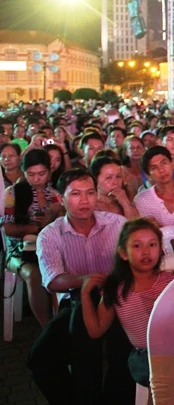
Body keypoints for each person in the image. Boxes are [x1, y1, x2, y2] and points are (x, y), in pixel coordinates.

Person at [29, 168, 133, 405]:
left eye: (90, 193)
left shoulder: (118, 224)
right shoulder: (50, 234)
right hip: (75, 299)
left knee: (122, 353)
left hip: (117, 299)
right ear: (61, 198)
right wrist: (86, 280)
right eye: (76, 194)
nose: (84, 200)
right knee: (41, 357)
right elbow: (53, 280)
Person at [80, 218, 174, 387]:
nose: (146, 252)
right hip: (145, 357)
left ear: (160, 249)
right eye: (137, 246)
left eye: (152, 245)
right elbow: (96, 330)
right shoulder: (115, 289)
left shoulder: (172, 282)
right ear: (123, 253)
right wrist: (85, 294)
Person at [2, 149, 62, 327]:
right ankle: (47, 327)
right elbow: (7, 229)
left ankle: (62, 320)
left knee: (60, 269)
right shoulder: (13, 193)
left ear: (49, 172)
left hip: (48, 250)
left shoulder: (56, 196)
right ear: (24, 172)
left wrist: (53, 219)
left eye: (41, 174)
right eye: (31, 174)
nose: (36, 179)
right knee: (35, 274)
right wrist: (34, 228)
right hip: (18, 252)